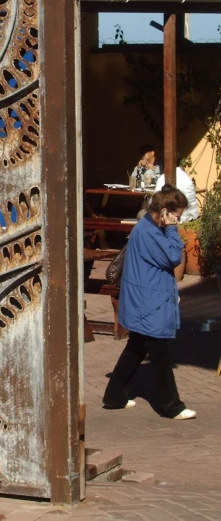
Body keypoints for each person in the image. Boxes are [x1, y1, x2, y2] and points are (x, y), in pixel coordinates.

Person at [102, 184, 196, 420]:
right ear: (164, 211)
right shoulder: (150, 232)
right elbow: (174, 257)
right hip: (148, 301)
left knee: (136, 347)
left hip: (148, 297)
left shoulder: (150, 228)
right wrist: (173, 230)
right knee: (160, 355)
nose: (178, 221)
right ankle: (171, 406)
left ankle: (114, 396)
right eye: (177, 216)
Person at [154, 157, 200, 223]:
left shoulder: (163, 178)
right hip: (193, 217)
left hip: (178, 220)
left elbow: (154, 203)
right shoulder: (186, 177)